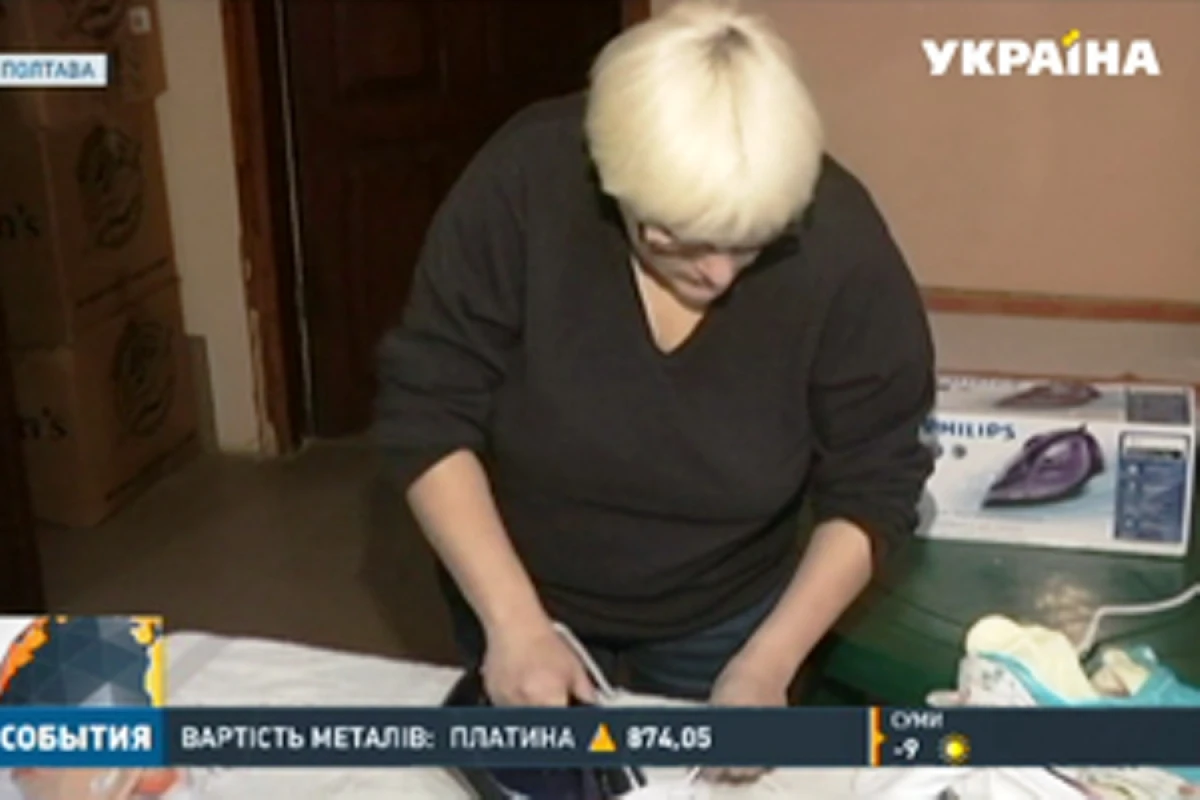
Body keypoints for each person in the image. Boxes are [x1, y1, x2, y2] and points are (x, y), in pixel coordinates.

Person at [376, 0, 933, 732]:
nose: (719, 274)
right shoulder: (525, 182)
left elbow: (876, 477)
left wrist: (768, 664)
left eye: (752, 243)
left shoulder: (843, 245)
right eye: (680, 240)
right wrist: (513, 623)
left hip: (730, 612)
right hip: (517, 583)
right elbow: (426, 410)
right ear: (615, 189)